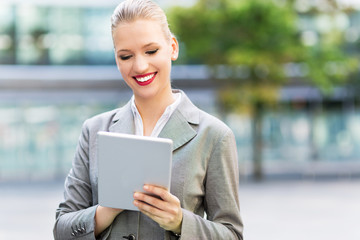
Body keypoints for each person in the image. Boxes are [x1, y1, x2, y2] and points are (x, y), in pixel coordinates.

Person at [53, 0, 243, 239]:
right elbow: (62, 229)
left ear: (172, 48)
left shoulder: (214, 135)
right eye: (126, 56)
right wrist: (106, 210)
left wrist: (180, 221)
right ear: (116, 58)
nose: (140, 66)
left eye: (151, 51)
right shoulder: (94, 131)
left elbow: (232, 234)